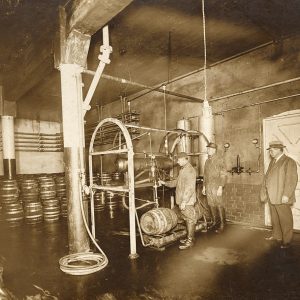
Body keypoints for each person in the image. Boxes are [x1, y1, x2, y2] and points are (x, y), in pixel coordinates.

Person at [260, 140, 298, 249]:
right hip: (272, 195)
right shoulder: (273, 162)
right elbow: (267, 177)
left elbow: (291, 180)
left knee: (285, 219)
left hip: (282, 196)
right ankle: (277, 236)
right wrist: (264, 192)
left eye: (271, 150)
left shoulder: (288, 161)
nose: (270, 152)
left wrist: (286, 194)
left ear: (278, 149)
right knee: (275, 218)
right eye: (270, 150)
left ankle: (287, 241)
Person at [159, 152, 197, 250]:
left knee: (190, 220)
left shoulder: (190, 170)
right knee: (186, 219)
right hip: (182, 200)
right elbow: (176, 182)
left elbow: (190, 188)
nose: (178, 162)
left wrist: (184, 201)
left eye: (179, 160)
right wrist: (164, 183)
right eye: (177, 160)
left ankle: (190, 241)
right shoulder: (183, 170)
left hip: (187, 201)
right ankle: (189, 238)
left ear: (185, 159)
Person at [202, 142, 227, 233]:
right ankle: (214, 222)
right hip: (209, 186)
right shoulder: (207, 161)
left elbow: (223, 174)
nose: (208, 150)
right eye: (207, 148)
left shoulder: (220, 159)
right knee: (211, 204)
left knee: (219, 204)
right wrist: (204, 187)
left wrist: (221, 187)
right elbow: (205, 175)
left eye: (209, 149)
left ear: (214, 150)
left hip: (216, 185)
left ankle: (222, 225)